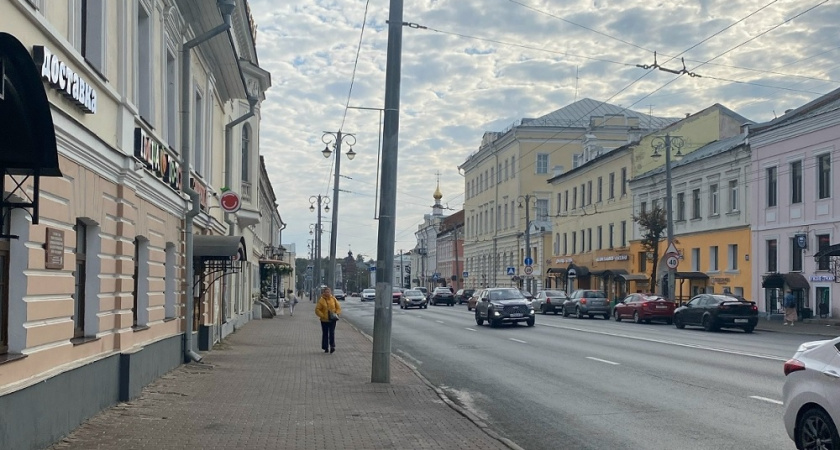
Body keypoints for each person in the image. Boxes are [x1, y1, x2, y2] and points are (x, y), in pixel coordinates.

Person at [315, 286, 341, 353]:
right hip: (324, 320)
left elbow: (338, 307)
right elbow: (317, 309)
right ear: (324, 293)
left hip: (332, 319)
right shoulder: (321, 300)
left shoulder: (333, 299)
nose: (327, 293)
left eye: (328, 292)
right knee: (325, 333)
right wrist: (322, 315)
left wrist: (337, 314)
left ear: (330, 292)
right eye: (326, 292)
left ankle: (332, 346)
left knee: (332, 333)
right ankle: (325, 347)